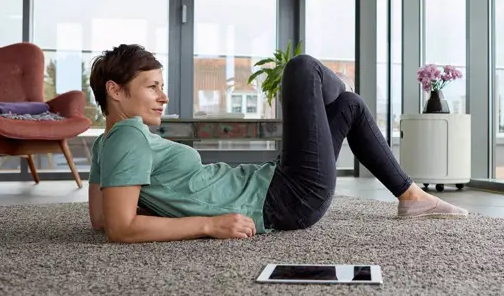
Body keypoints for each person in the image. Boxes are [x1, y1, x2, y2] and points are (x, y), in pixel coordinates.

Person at [87, 44, 468, 243]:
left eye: (161, 86)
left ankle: (411, 197)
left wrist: (173, 210)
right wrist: (208, 224)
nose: (164, 97)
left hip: (275, 187)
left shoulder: (107, 143)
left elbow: (101, 219)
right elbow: (120, 228)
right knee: (302, 68)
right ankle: (339, 89)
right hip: (285, 199)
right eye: (152, 87)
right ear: (115, 91)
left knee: (350, 107)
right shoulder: (130, 136)